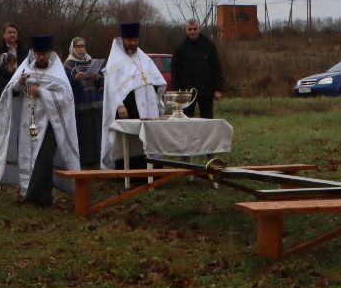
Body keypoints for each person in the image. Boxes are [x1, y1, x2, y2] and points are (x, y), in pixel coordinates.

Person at [0, 35, 81, 207]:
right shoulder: (25, 69)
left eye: (45, 54)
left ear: (50, 53)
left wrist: (40, 91)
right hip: (28, 121)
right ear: (34, 53)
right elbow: (11, 92)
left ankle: (41, 198)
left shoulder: (57, 72)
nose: (42, 57)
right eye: (39, 54)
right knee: (27, 156)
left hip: (49, 123)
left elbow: (65, 98)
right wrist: (19, 84)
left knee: (43, 159)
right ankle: (27, 191)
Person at [100, 21, 166, 173]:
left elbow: (156, 79)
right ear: (123, 39)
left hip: (148, 105)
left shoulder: (143, 57)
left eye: (135, 40)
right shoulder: (115, 61)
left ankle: (154, 170)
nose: (132, 43)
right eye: (129, 40)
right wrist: (120, 105)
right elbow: (112, 87)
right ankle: (133, 173)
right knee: (131, 139)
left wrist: (157, 92)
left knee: (150, 136)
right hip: (129, 106)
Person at [0, 23, 24, 166]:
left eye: (14, 32)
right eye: (9, 32)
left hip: (17, 92)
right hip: (0, 92)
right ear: (4, 34)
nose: (12, 35)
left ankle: (15, 155)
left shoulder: (23, 49)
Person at [170, 20, 225, 120]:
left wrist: (218, 89)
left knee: (207, 120)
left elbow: (216, 68)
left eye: (195, 29)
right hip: (186, 93)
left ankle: (207, 136)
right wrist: (176, 91)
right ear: (186, 30)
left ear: (199, 29)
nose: (192, 32)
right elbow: (175, 71)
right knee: (186, 121)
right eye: (190, 29)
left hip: (206, 91)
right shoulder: (180, 48)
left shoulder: (209, 45)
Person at [64, 36, 103, 170]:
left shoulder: (92, 61)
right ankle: (83, 163)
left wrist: (98, 78)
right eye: (78, 47)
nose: (81, 49)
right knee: (83, 135)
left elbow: (102, 82)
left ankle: (98, 162)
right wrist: (75, 79)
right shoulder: (67, 65)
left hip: (95, 102)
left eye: (82, 46)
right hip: (79, 106)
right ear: (73, 48)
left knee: (96, 133)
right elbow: (64, 85)